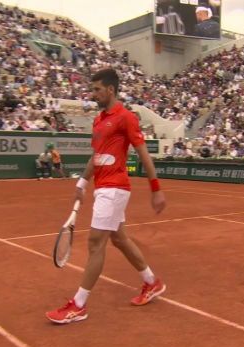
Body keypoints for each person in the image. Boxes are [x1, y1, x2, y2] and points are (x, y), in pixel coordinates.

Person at [46, 68, 166, 324]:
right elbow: (95, 156)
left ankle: (78, 305)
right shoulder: (99, 120)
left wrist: (156, 188)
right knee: (119, 239)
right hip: (102, 186)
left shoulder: (126, 118)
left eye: (97, 89)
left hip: (115, 187)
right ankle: (151, 282)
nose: (93, 94)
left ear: (110, 90)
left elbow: (144, 154)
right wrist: (82, 181)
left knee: (95, 243)